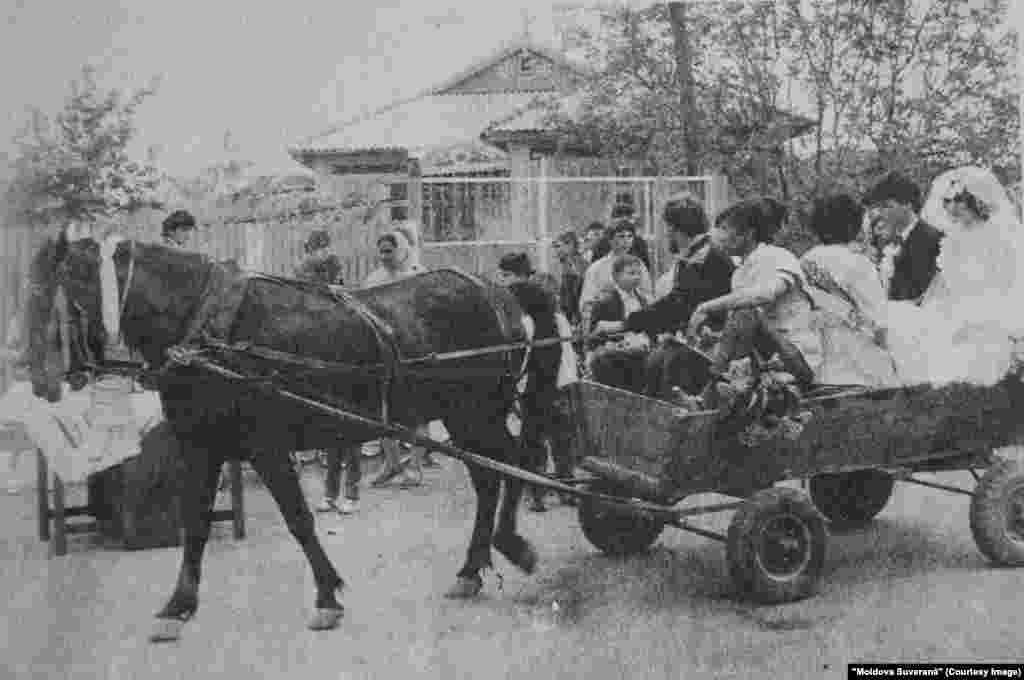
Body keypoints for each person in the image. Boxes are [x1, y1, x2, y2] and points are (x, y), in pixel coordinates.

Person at [883, 167, 1024, 387]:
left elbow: (1012, 280)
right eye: (947, 202)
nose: (951, 208)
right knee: (904, 320)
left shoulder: (1002, 232)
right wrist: (917, 306)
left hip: (995, 306)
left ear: (975, 200)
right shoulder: (952, 239)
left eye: (957, 200)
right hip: (955, 305)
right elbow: (941, 282)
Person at [593, 194, 734, 399]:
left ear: (675, 228)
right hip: (691, 343)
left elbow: (675, 306)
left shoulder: (704, 257)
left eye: (668, 228)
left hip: (708, 351)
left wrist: (623, 325)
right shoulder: (695, 254)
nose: (666, 234)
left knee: (649, 364)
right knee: (612, 359)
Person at [688, 198, 822, 394]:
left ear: (748, 234)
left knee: (745, 311)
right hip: (765, 358)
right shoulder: (740, 271)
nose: (720, 236)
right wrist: (717, 337)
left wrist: (706, 307)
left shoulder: (777, 256)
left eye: (725, 229)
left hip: (797, 357)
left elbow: (764, 295)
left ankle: (709, 391)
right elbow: (747, 330)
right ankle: (716, 390)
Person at [497, 252, 576, 512]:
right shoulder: (546, 311)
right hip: (552, 379)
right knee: (555, 437)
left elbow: (532, 347)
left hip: (542, 380)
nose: (504, 281)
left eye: (507, 275)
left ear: (521, 276)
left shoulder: (523, 303)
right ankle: (558, 489)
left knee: (538, 437)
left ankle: (542, 491)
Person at [800, 195, 899, 388]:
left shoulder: (806, 259)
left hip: (816, 356)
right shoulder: (857, 263)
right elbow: (878, 320)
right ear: (851, 224)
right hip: (856, 361)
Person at [364, 225, 434, 487]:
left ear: (402, 250)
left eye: (389, 252)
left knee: (418, 412)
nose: (384, 257)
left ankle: (414, 467)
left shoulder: (418, 276)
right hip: (384, 353)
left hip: (415, 351)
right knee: (381, 412)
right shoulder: (374, 280)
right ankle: (392, 464)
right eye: (381, 252)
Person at [862, 172, 943, 303]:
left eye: (886, 206)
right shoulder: (887, 241)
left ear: (907, 205)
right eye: (879, 207)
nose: (881, 214)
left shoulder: (933, 240)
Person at [579, 220, 653, 334]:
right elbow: (586, 303)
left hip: (635, 324)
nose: (626, 241)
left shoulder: (639, 265)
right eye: (621, 236)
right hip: (607, 326)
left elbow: (648, 294)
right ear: (610, 240)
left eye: (629, 236)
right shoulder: (596, 268)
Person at [552, 230, 586, 328]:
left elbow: (572, 297)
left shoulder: (573, 265)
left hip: (575, 319)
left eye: (557, 246)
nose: (555, 250)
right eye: (554, 247)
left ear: (570, 245)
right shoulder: (568, 264)